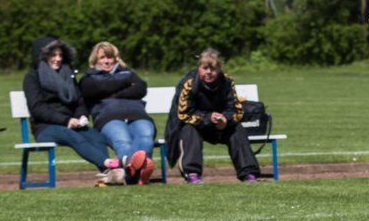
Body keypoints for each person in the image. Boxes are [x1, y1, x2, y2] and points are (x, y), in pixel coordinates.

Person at [23, 36, 124, 185]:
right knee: (71, 135)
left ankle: (107, 175)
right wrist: (66, 121)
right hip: (45, 128)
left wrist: (81, 116)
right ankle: (109, 165)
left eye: (60, 55)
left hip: (72, 124)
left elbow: (79, 101)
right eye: (53, 55)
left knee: (96, 136)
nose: (58, 59)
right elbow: (37, 108)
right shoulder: (32, 77)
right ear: (42, 56)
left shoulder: (68, 73)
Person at [165, 49, 260, 183]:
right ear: (199, 68)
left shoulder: (227, 82)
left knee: (237, 129)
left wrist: (225, 119)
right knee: (188, 130)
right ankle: (192, 173)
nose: (209, 72)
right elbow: (184, 113)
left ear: (219, 69)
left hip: (220, 125)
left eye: (213, 69)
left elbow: (235, 109)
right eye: (205, 68)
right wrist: (208, 118)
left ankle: (248, 173)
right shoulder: (189, 84)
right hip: (196, 124)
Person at [80, 41, 156, 185]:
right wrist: (124, 83)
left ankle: (129, 175)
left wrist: (112, 94)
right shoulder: (88, 79)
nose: (107, 61)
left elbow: (141, 88)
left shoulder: (127, 72)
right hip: (108, 117)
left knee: (146, 135)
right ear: (95, 59)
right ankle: (138, 176)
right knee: (123, 142)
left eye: (110, 57)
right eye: (102, 57)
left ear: (115, 58)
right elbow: (93, 90)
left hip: (136, 114)